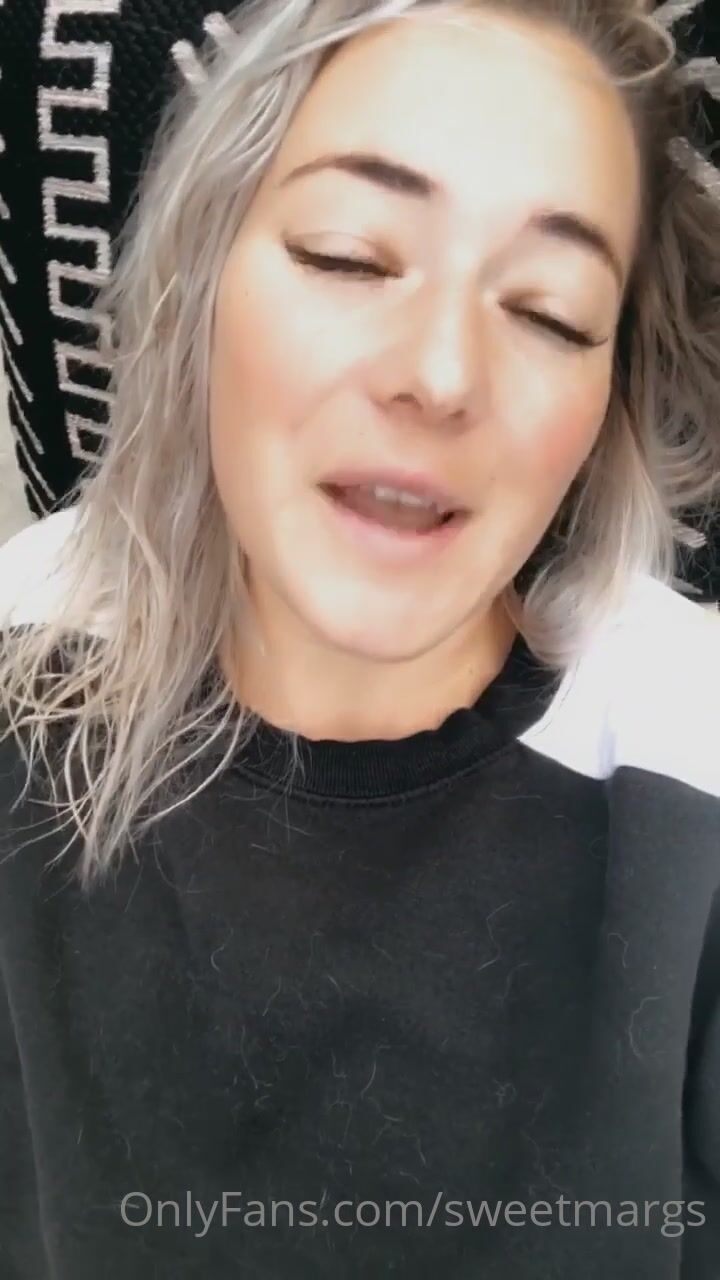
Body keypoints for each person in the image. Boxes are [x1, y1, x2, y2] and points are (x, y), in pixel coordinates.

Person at [0, 0, 718, 1275]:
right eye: (348, 255)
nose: (441, 374)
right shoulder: (22, 658)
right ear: (201, 267)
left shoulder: (691, 754)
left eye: (550, 312)